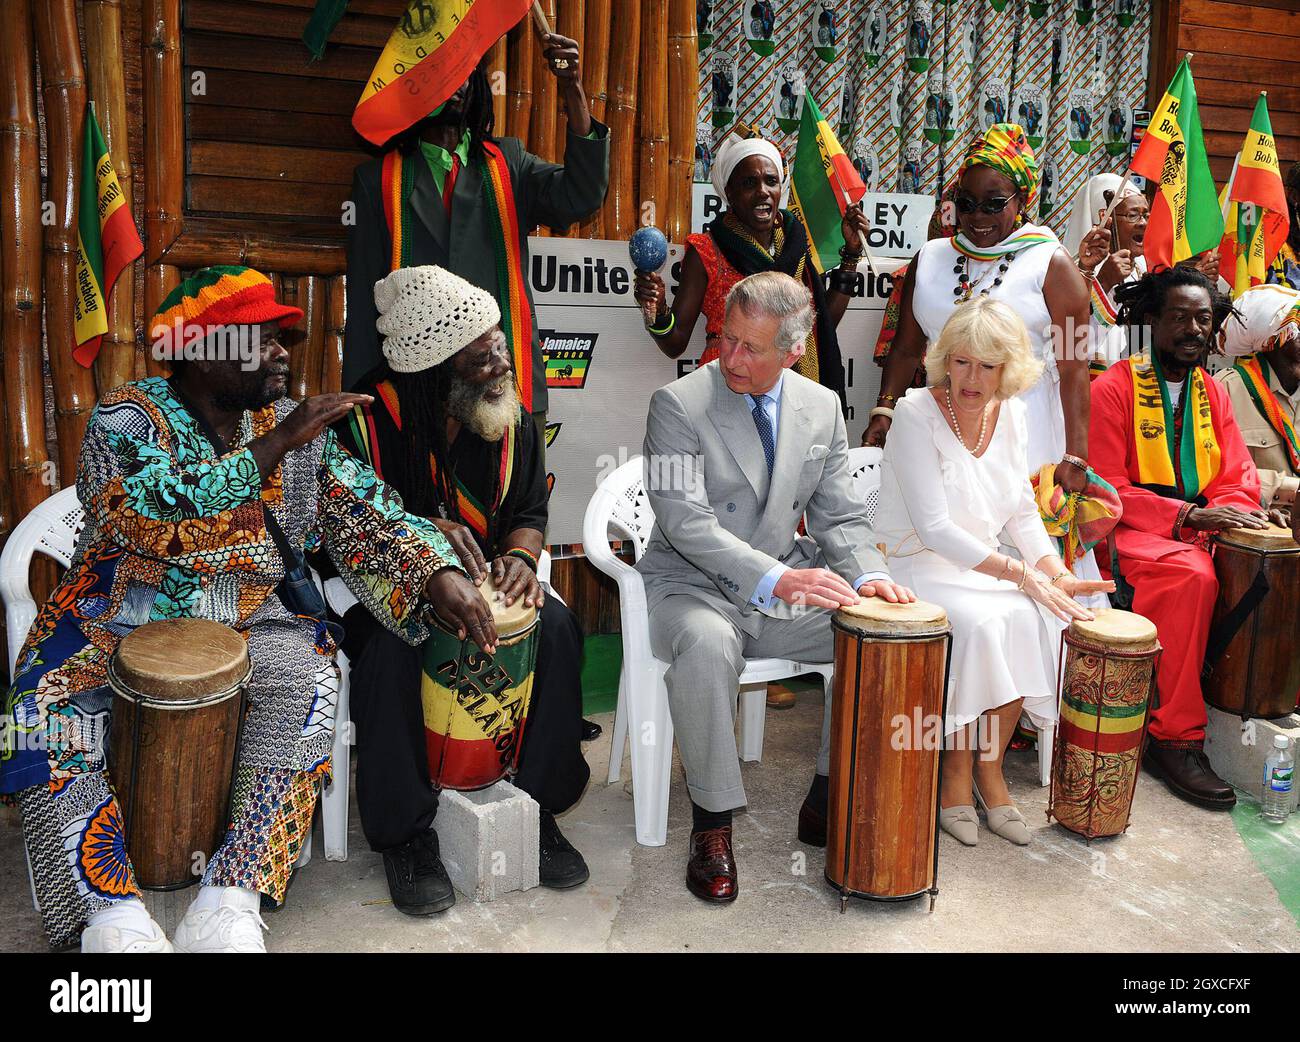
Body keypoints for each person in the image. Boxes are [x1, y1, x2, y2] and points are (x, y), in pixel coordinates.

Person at [0, 267, 486, 952]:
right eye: (260, 339)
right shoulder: (125, 416)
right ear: (200, 351)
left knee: (310, 682)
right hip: (112, 618)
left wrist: (433, 569)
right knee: (40, 714)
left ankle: (230, 895)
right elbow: (155, 515)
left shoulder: (290, 426)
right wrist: (276, 446)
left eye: (281, 335)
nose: (282, 350)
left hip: (252, 618)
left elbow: (366, 509)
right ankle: (108, 914)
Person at [638, 271, 914, 904]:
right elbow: (685, 522)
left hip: (783, 585)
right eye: (728, 339)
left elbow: (841, 517)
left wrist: (869, 577)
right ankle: (711, 827)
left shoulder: (819, 406)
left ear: (794, 349)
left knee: (869, 632)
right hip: (694, 586)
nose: (731, 358)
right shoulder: (676, 404)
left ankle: (826, 795)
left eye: (751, 348)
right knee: (707, 648)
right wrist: (779, 577)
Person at [333, 266, 591, 912]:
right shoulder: (365, 425)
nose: (501, 362)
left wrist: (521, 561)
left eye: (499, 343)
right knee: (391, 650)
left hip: (488, 581)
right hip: (385, 589)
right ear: (433, 372)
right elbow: (342, 532)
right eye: (481, 357)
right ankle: (406, 835)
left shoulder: (512, 420)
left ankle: (535, 805)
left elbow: (530, 512)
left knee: (556, 629)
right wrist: (422, 539)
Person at [877, 297, 1113, 847]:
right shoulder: (915, 414)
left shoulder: (1013, 415)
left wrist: (1053, 571)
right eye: (961, 361)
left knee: (1037, 618)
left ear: (1009, 371)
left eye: (987, 365)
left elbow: (1020, 509)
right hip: (913, 564)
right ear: (944, 360)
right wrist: (1019, 574)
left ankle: (991, 769)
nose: (971, 378)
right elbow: (934, 528)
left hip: (980, 564)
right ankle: (955, 780)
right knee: (984, 624)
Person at [862, 125, 1106, 601]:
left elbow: (1076, 368)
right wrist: (884, 410)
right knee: (944, 550)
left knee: (1030, 561)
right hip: (938, 427)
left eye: (995, 204)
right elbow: (907, 349)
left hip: (1024, 430)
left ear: (1022, 200)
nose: (977, 216)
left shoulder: (1055, 266)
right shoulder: (930, 257)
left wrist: (1077, 457)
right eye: (966, 201)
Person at [343, 34, 610, 446]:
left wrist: (572, 89)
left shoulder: (508, 164)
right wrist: (364, 409)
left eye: (464, 71)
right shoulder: (377, 181)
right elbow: (364, 305)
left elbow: (580, 196)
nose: (457, 84)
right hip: (417, 396)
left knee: (516, 509)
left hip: (500, 384)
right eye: (438, 73)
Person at [1089, 268, 1269, 810]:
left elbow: (1239, 477)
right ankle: (1174, 737)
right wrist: (1189, 518)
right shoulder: (1112, 387)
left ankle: (1254, 702)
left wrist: (1233, 517)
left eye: (1203, 319)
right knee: (1191, 575)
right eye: (1179, 318)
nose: (1193, 329)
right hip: (1123, 534)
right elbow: (1105, 490)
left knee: (1262, 565)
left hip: (1192, 531)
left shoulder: (1212, 391)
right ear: (1150, 322)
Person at [632, 134, 868, 406]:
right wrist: (657, 310)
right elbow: (675, 344)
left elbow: (817, 326)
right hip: (729, 388)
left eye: (771, 181)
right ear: (728, 192)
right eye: (749, 183)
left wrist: (851, 254)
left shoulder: (795, 247)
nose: (763, 192)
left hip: (791, 394)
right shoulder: (707, 250)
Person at [1215, 284, 1300, 517]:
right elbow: (1212, 471)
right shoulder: (1225, 388)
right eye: (1298, 329)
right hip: (1257, 519)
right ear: (1271, 340)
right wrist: (1290, 489)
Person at [1066, 173, 1149, 367]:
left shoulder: (1141, 269)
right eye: (1132, 215)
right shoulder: (1070, 271)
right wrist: (1105, 282)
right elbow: (1068, 343)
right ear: (1103, 217)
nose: (1143, 223)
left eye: (1146, 214)